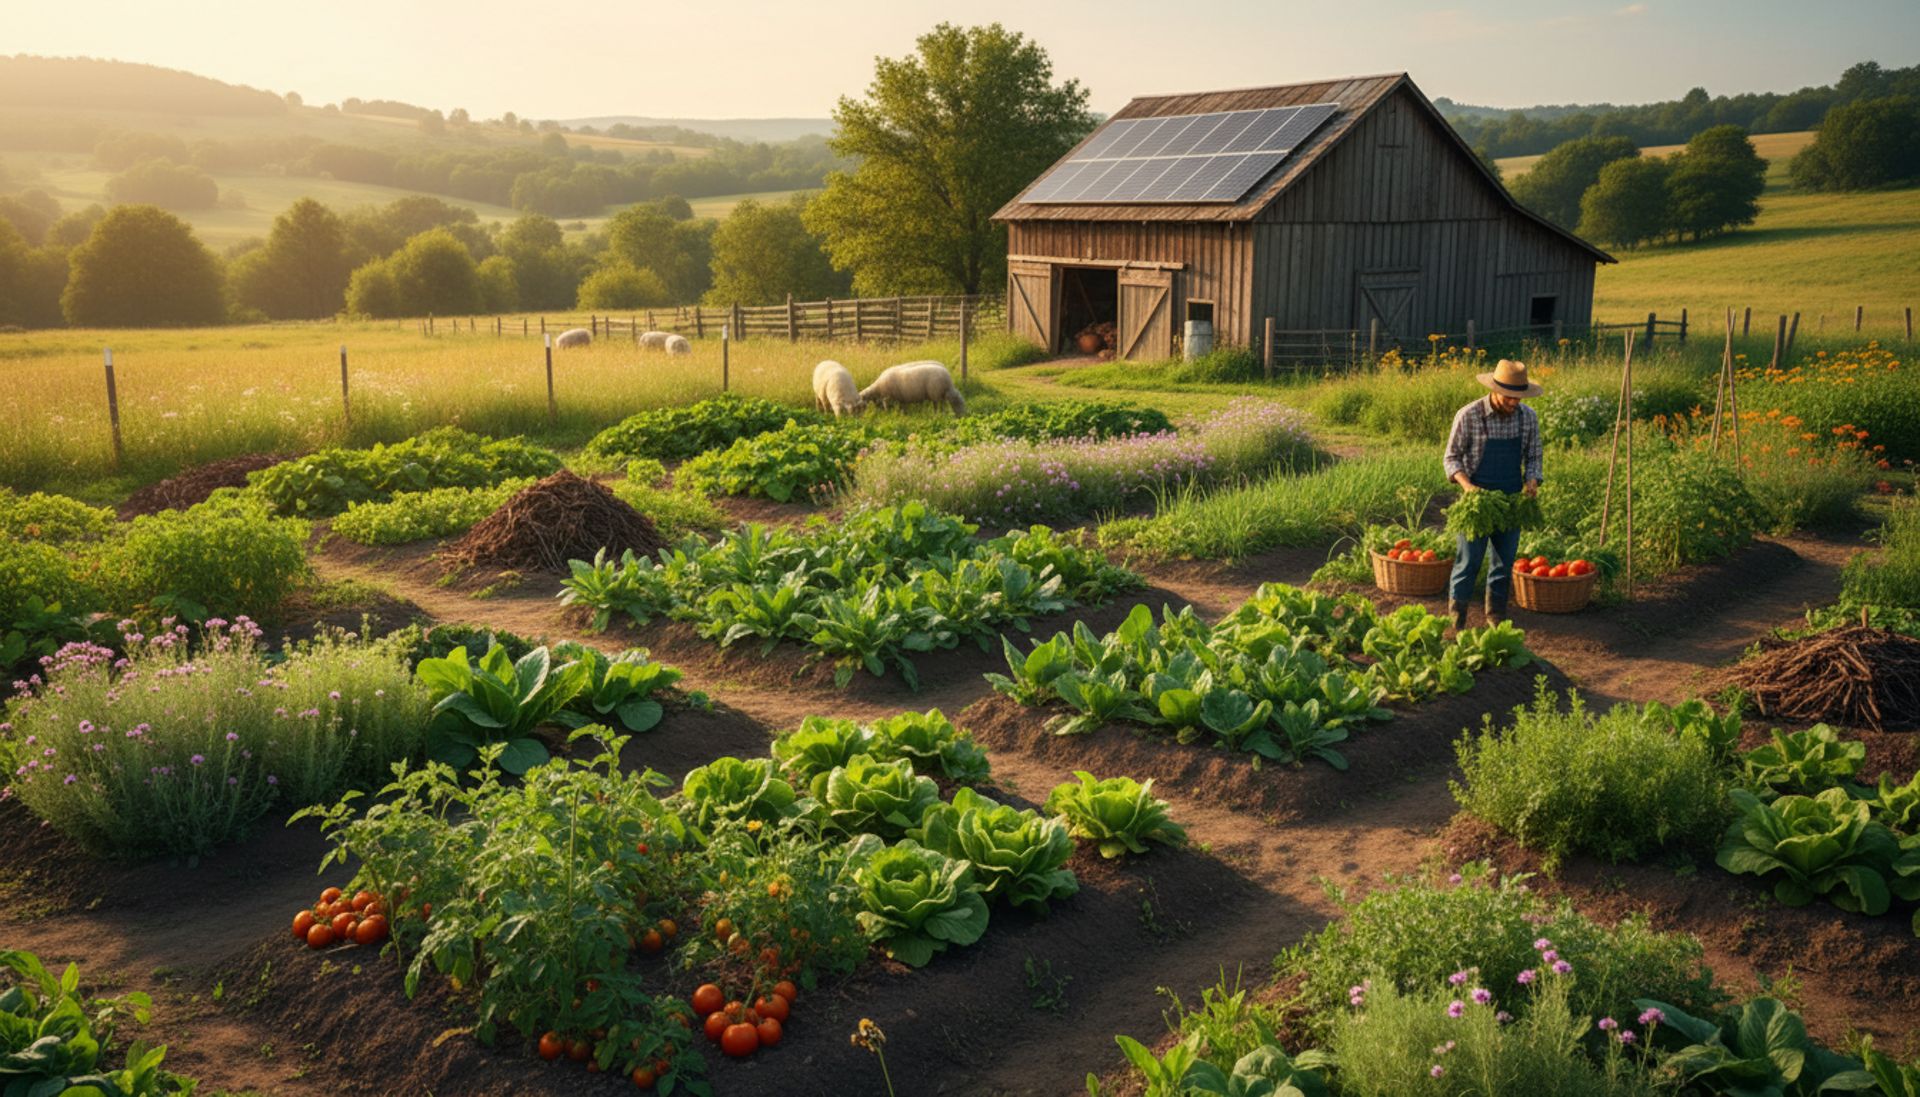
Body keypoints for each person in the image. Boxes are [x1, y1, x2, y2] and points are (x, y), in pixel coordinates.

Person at [1442, 358, 1544, 630]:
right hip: (1478, 503)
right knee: (1469, 561)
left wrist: (1532, 479)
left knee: (1504, 562)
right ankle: (1456, 621)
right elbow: (1451, 458)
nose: (1514, 403)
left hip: (1511, 500)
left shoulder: (1528, 418)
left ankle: (1496, 618)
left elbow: (1534, 456)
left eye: (1518, 398)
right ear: (1494, 390)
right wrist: (1468, 487)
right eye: (1509, 397)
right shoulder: (1470, 415)